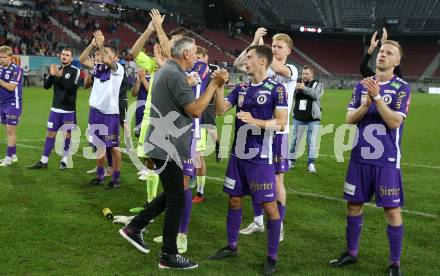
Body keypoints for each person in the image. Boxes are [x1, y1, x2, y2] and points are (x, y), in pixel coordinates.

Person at [118, 35, 228, 270]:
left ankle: (135, 227)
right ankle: (168, 254)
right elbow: (197, 110)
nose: (196, 56)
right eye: (194, 52)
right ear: (186, 54)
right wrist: (214, 85)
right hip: (169, 146)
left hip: (162, 144)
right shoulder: (175, 74)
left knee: (172, 193)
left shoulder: (168, 71)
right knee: (177, 197)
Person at [329, 40, 410, 276]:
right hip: (359, 158)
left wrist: (377, 98)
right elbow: (349, 119)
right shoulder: (360, 85)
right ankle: (351, 253)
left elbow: (395, 122)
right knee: (353, 205)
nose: (383, 55)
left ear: (397, 61)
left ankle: (394, 264)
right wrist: (365, 105)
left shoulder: (402, 87)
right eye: (381, 51)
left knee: (391, 210)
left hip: (386, 161)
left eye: (389, 53)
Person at [209, 44, 287, 276]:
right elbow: (220, 111)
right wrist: (220, 88)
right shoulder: (242, 87)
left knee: (269, 207)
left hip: (260, 158)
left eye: (250, 57)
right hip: (237, 155)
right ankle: (231, 246)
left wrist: (257, 121)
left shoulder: (276, 89)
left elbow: (282, 122)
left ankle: (272, 258)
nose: (245, 61)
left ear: (262, 61)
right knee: (234, 201)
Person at [234, 28, 298, 241]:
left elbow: (275, 67)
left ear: (289, 50)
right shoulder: (265, 67)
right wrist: (253, 44)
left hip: (278, 130)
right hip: (255, 130)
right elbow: (238, 64)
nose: (275, 49)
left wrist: (261, 55)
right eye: (273, 46)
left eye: (279, 47)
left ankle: (277, 225)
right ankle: (259, 221)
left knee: (277, 179)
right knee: (255, 178)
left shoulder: (290, 69)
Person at [79, 30, 124, 189]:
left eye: (106, 54)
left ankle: (116, 179)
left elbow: (106, 59)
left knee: (113, 147)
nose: (101, 56)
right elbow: (82, 59)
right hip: (95, 112)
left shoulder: (118, 69)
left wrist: (101, 45)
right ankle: (100, 175)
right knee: (99, 146)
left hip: (110, 114)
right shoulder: (98, 68)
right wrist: (93, 44)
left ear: (115, 58)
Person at [28, 48, 80, 170]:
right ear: (60, 55)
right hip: (55, 109)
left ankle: (65, 160)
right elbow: (46, 86)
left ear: (71, 58)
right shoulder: (55, 68)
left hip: (68, 110)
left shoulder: (75, 71)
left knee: (67, 135)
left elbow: (72, 88)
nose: (64, 57)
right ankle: (43, 161)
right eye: (63, 54)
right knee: (50, 134)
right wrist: (52, 75)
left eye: (67, 55)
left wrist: (60, 77)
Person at [289, 65, 324, 172]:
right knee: (294, 140)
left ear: (312, 74)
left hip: (312, 118)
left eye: (306, 73)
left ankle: (311, 163)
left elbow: (316, 95)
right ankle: (291, 161)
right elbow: (291, 95)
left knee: (311, 141)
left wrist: (304, 88)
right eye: (303, 73)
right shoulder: (298, 83)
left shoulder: (318, 84)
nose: (304, 75)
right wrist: (294, 89)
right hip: (298, 116)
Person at [0, 46, 23, 167]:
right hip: (2, 103)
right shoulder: (0, 68)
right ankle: (13, 155)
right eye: (0, 57)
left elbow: (11, 87)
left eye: (4, 57)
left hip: (13, 103)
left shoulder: (16, 69)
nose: (1, 59)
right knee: (7, 129)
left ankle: (8, 158)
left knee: (10, 130)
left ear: (10, 57)